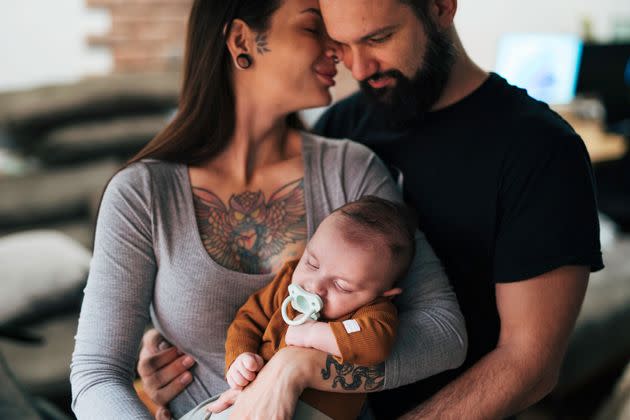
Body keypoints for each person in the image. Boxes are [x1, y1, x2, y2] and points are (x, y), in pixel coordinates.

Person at [139, 0, 603, 419]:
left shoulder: (541, 151)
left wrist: (302, 367)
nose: (358, 68)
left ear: (441, 7)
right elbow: (281, 285)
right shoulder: (342, 129)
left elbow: (529, 363)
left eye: (378, 38)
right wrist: (174, 352)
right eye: (340, 44)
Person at [69, 0, 467, 419]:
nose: (338, 49)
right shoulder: (142, 194)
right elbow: (97, 373)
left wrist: (298, 366)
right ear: (242, 40)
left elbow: (444, 334)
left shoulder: (351, 170)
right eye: (314, 29)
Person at [201, 196, 414, 420]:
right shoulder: (287, 284)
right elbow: (248, 319)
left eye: (341, 285)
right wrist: (240, 357)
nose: (315, 285)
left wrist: (313, 334)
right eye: (311, 263)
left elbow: (375, 341)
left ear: (383, 294)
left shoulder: (372, 311)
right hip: (249, 401)